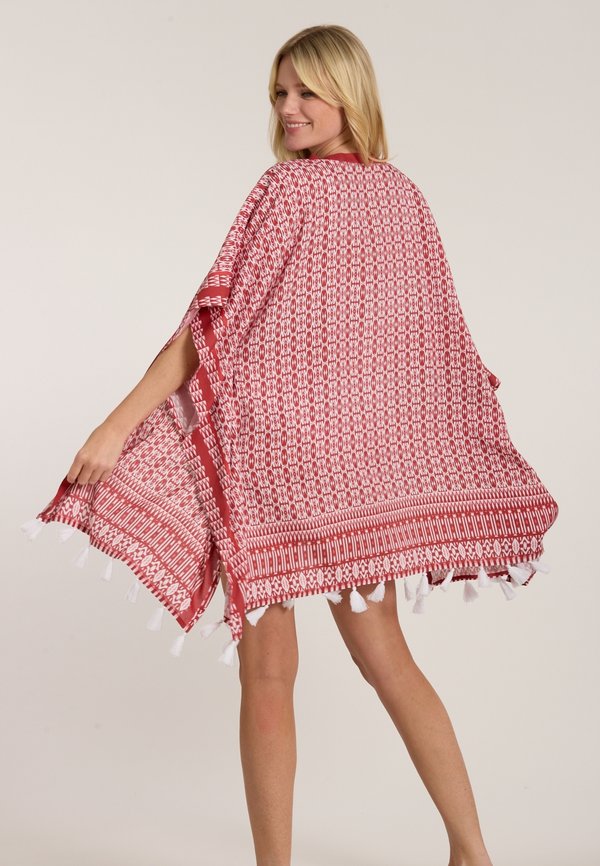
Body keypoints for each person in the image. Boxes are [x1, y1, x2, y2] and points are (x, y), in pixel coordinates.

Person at [25, 24, 559, 866]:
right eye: (280, 93)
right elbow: (428, 344)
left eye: (307, 91)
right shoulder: (405, 196)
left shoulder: (287, 189)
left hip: (271, 463)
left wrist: (116, 425)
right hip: (353, 476)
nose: (289, 108)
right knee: (386, 661)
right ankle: (473, 854)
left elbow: (209, 324)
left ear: (349, 92)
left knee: (270, 675)